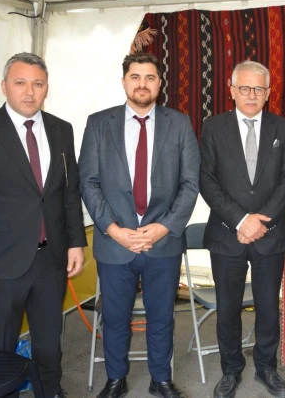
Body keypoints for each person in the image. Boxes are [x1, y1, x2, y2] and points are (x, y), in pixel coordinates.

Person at [0, 52, 87, 398]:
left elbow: (68, 192)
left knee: (49, 343)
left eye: (38, 84)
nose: (29, 91)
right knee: (1, 347)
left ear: (47, 88)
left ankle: (49, 391)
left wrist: (76, 242)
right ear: (4, 87)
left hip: (51, 260)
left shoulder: (61, 129)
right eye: (20, 83)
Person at [79, 53, 200, 398]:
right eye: (135, 77)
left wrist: (164, 227)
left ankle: (161, 379)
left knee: (162, 317)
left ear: (160, 83)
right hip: (115, 241)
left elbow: (190, 184)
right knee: (115, 318)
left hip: (163, 242)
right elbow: (88, 182)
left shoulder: (180, 124)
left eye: (150, 77)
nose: (142, 84)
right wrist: (113, 229)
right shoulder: (99, 124)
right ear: (124, 82)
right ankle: (115, 379)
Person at [199, 60, 285, 398]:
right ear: (231, 90)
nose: (251, 94)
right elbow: (207, 180)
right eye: (245, 88)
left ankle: (267, 367)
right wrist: (241, 220)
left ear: (268, 93)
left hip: (270, 234)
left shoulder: (283, 128)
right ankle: (231, 369)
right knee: (227, 309)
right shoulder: (213, 127)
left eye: (258, 88)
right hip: (228, 233)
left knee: (268, 307)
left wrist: (260, 220)